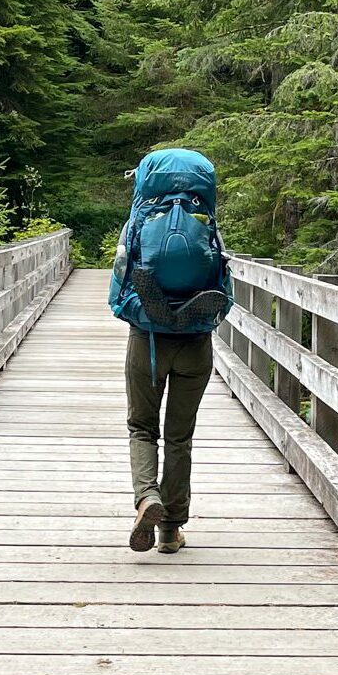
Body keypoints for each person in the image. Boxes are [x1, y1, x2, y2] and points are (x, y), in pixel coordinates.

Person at [107, 148, 232, 554]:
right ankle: (170, 531)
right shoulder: (206, 224)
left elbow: (117, 292)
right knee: (180, 438)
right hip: (196, 344)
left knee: (142, 427)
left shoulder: (138, 225)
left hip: (148, 341)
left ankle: (147, 497)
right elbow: (224, 294)